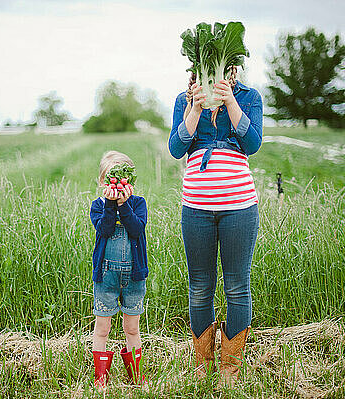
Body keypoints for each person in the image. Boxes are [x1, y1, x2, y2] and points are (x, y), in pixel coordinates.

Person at [168, 66, 262, 384]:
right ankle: (203, 364)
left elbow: (252, 143)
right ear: (194, 70)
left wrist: (230, 102)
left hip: (240, 209)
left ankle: (229, 369)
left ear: (233, 68)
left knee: (237, 287)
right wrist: (195, 107)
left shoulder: (249, 97)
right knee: (199, 288)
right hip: (196, 210)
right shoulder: (185, 100)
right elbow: (176, 148)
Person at [89, 151, 148, 389]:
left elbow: (136, 228)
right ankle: (101, 377)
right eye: (110, 179)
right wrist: (111, 204)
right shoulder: (98, 206)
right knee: (102, 328)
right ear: (103, 182)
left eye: (124, 178)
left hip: (134, 275)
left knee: (131, 327)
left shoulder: (138, 203)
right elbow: (104, 229)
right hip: (106, 275)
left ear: (130, 181)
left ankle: (135, 375)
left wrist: (123, 204)